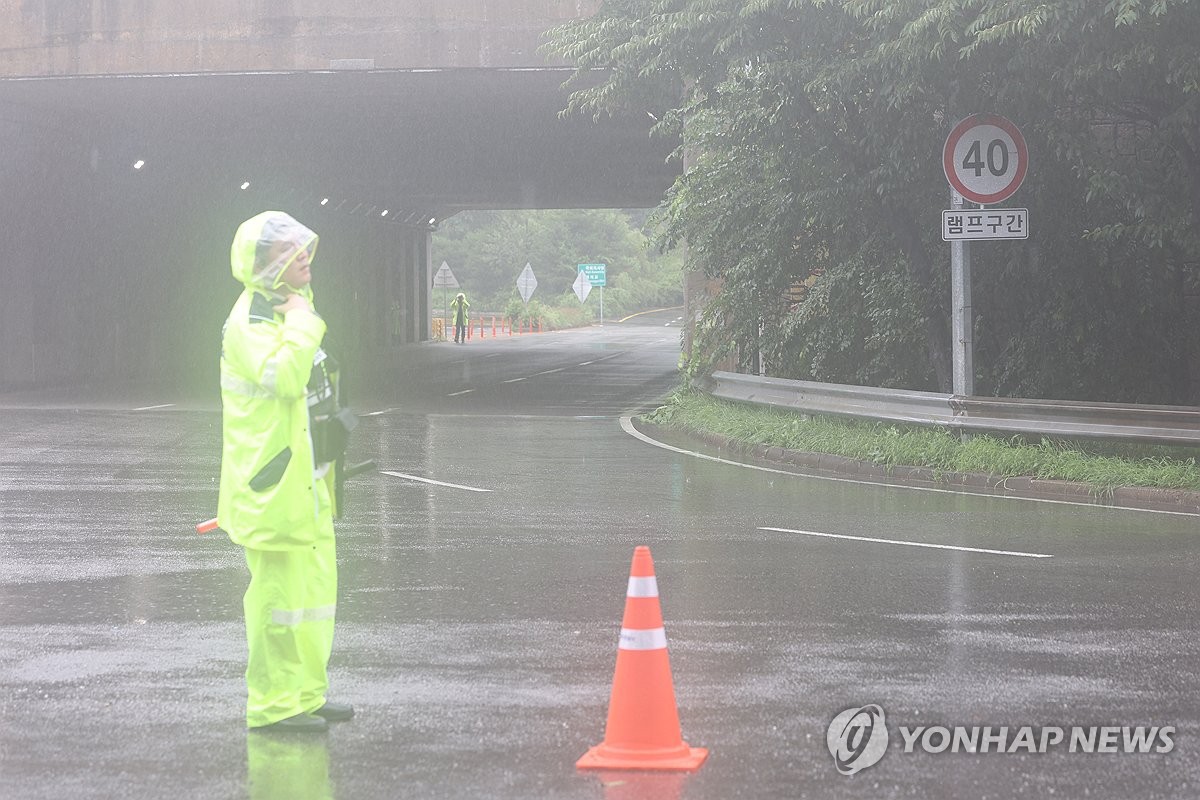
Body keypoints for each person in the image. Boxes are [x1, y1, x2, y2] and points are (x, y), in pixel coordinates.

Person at [217, 211, 354, 733]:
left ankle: (305, 696)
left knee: (315, 594)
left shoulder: (287, 310)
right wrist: (303, 320)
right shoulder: (251, 322)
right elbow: (287, 375)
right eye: (292, 251)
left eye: (304, 249)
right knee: (277, 601)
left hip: (307, 481)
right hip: (272, 488)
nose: (304, 258)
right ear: (268, 264)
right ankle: (274, 707)